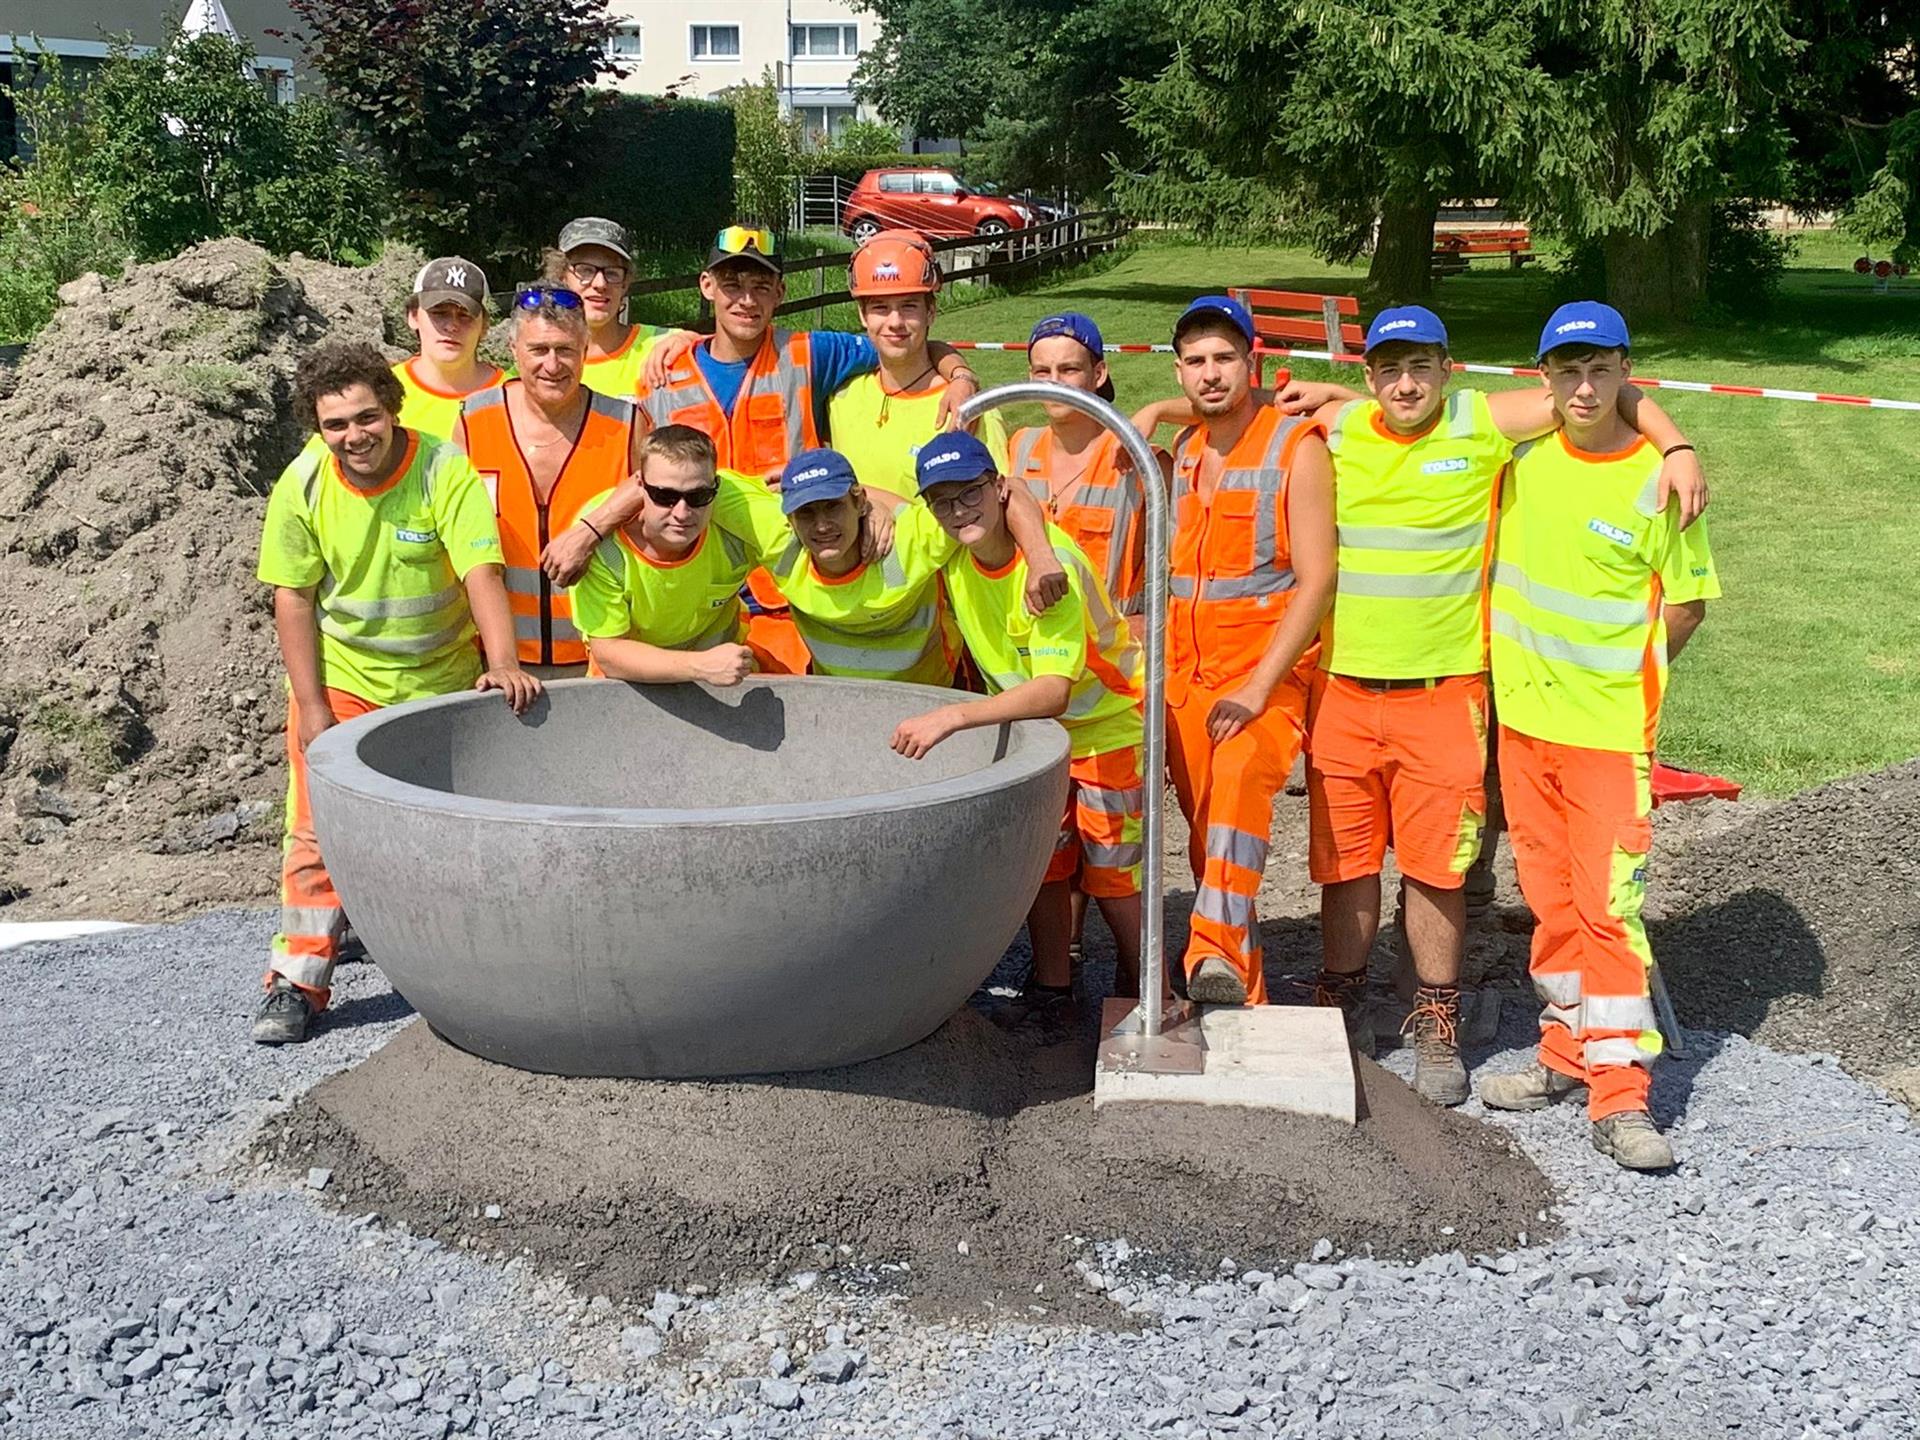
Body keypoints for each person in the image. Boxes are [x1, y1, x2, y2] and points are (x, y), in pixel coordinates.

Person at [1273, 305, 1706, 1104]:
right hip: (1343, 689)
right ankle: (1342, 1001)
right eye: (1389, 369)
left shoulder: (1481, 422)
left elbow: (1604, 390)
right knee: (1345, 865)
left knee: (1440, 869)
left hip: (1447, 694)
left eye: (1422, 367)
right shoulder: (1342, 430)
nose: (1407, 384)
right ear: (1368, 378)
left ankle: (1435, 1020)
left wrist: (1675, 443)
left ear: (1450, 369)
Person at [1475, 302, 1720, 1171]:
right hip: (1526, 735)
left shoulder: (1658, 479)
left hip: (1608, 740)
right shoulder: (1522, 467)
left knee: (1609, 916)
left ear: (1626, 372)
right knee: (1550, 908)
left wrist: (1624, 685)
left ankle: (1622, 1099)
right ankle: (1565, 1056)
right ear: (1542, 378)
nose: (1584, 388)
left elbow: (1685, 604)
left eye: (1600, 371)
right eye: (1566, 372)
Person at [252, 342, 539, 1046]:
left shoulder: (443, 468)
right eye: (336, 425)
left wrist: (502, 662)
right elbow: (292, 598)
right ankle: (298, 980)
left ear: (392, 407)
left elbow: (481, 571)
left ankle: (457, 967)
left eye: (366, 417)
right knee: (315, 832)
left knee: (447, 828)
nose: (355, 436)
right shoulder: (305, 484)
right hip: (348, 682)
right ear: (316, 428)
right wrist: (312, 704)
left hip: (439, 684)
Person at [541, 225, 984, 674]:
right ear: (706, 285)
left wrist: (961, 375)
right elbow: (646, 482)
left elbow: (900, 339)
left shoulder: (812, 353)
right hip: (701, 586)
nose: (746, 300)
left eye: (760, 286)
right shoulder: (662, 368)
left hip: (791, 587)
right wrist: (591, 529)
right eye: (731, 284)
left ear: (780, 292)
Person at [893, 431, 1147, 1025]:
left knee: (1114, 868)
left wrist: (956, 714)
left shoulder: (1050, 574)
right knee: (1045, 863)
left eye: (971, 494)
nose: (959, 511)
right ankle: (1054, 985)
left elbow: (1055, 691)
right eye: (943, 501)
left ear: (997, 489)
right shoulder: (954, 543)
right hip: (1035, 735)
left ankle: (1147, 979)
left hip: (1104, 725)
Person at [1161, 295, 1336, 1007]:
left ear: (1251, 363)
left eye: (1224, 358)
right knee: (1213, 843)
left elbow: (1319, 577)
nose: (1211, 374)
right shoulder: (1184, 453)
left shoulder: (1298, 446)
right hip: (1187, 680)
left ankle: (1213, 954)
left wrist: (1260, 689)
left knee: (1235, 792)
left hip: (1264, 677)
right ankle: (1243, 986)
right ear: (1178, 372)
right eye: (1197, 362)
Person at [707, 446, 1065, 687]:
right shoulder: (779, 539)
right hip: (842, 704)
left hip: (938, 697)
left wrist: (1041, 558)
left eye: (832, 506)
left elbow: (1010, 490)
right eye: (806, 511)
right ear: (788, 516)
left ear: (859, 500)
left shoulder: (904, 544)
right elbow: (692, 479)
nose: (820, 526)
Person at [453, 285, 643, 676]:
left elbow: (654, 492)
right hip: (498, 661)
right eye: (539, 350)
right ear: (513, 349)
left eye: (566, 350)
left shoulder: (625, 424)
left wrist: (592, 530)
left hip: (601, 657)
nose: (553, 365)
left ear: (586, 350)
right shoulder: (473, 421)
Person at [568, 425, 760, 684]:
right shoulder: (602, 548)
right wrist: (701, 667)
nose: (682, 513)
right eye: (664, 496)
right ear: (639, 486)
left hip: (726, 681)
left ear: (717, 488)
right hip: (626, 689)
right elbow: (610, 652)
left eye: (699, 496)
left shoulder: (738, 524)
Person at [827, 229, 1009, 497]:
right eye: (880, 307)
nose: (895, 322)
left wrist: (962, 377)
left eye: (909, 306)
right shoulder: (839, 399)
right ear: (863, 315)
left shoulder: (968, 411)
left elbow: (997, 511)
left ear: (931, 312)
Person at [1009, 311, 1152, 626]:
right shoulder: (1019, 447)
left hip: (1111, 656)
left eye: (1069, 369)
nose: (1055, 383)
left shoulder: (1141, 460)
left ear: (1098, 373)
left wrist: (1161, 410)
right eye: (1043, 371)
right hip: (1035, 647)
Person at [548, 217, 680, 401]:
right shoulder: (543, 363)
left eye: (612, 273)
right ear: (561, 278)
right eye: (585, 270)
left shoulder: (663, 347)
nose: (600, 284)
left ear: (625, 284)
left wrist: (693, 344)